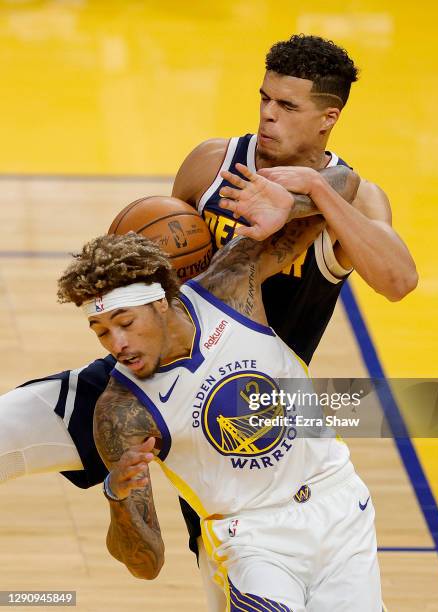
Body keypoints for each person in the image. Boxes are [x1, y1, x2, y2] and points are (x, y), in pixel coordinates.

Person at [0, 33, 416, 608]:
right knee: (8, 426)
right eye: (264, 98)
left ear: (329, 117)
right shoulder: (211, 164)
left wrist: (310, 196)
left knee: (229, 559)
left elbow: (398, 280)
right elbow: (155, 275)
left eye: (288, 106)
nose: (268, 115)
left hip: (248, 405)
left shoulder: (351, 200)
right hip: (151, 370)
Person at [56, 162, 382, 611]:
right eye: (102, 332)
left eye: (126, 323)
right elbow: (146, 564)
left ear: (160, 301)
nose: (118, 344)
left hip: (339, 502)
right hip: (252, 540)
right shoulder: (123, 411)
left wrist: (291, 203)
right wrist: (118, 494)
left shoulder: (229, 285)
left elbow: (345, 181)